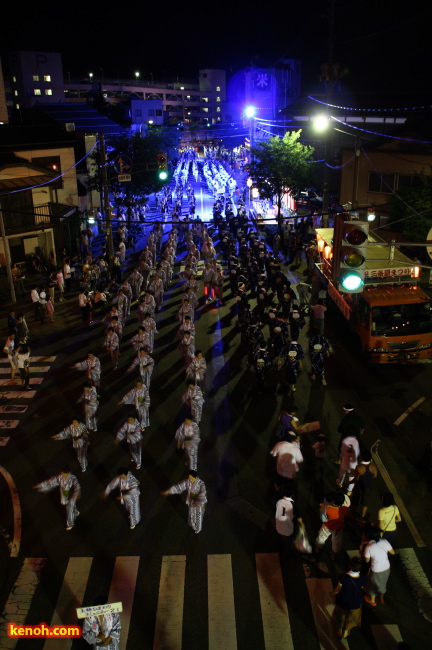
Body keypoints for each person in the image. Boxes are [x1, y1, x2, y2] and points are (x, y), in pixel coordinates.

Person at [329, 556, 367, 639]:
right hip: (355, 601)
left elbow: (337, 589)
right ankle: (346, 631)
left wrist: (332, 593)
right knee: (351, 617)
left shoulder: (343, 577)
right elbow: (363, 588)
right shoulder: (363, 578)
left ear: (350, 566)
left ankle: (339, 630)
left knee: (341, 615)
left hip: (343, 600)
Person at [33, 465, 81, 531]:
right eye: (62, 473)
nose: (62, 474)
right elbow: (50, 482)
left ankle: (70, 523)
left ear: (68, 473)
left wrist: (76, 494)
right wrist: (40, 485)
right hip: (64, 494)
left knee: (69, 508)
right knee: (68, 505)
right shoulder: (60, 477)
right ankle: (75, 512)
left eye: (64, 473)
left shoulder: (73, 478)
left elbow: (77, 487)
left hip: (71, 495)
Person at [363, 525, 396, 606]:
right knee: (383, 582)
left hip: (376, 570)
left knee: (372, 586)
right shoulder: (384, 541)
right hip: (386, 567)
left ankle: (372, 601)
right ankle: (381, 598)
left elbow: (367, 561)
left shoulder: (368, 547)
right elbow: (393, 552)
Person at [315, 491, 350, 557]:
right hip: (338, 528)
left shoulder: (327, 509)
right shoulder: (346, 508)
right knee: (336, 542)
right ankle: (333, 554)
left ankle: (318, 549)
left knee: (321, 538)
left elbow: (323, 519)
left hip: (327, 527)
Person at [350, 449, 377, 519]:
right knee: (365, 502)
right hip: (368, 487)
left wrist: (349, 482)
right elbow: (375, 476)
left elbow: (356, 478)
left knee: (355, 500)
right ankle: (362, 516)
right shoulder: (373, 466)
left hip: (359, 487)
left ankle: (352, 514)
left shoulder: (359, 468)